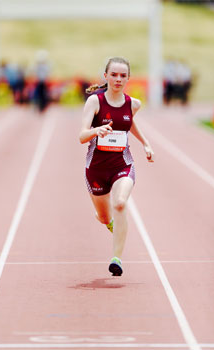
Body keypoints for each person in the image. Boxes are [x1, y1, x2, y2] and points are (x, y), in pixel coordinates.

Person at [79, 57, 154, 276]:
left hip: (122, 164)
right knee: (104, 217)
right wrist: (96, 131)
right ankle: (107, 220)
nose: (118, 79)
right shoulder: (95, 102)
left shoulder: (134, 104)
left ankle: (116, 259)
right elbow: (82, 136)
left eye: (123, 76)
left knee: (120, 203)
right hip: (96, 169)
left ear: (128, 78)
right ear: (106, 76)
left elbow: (129, 123)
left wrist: (146, 144)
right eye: (114, 75)